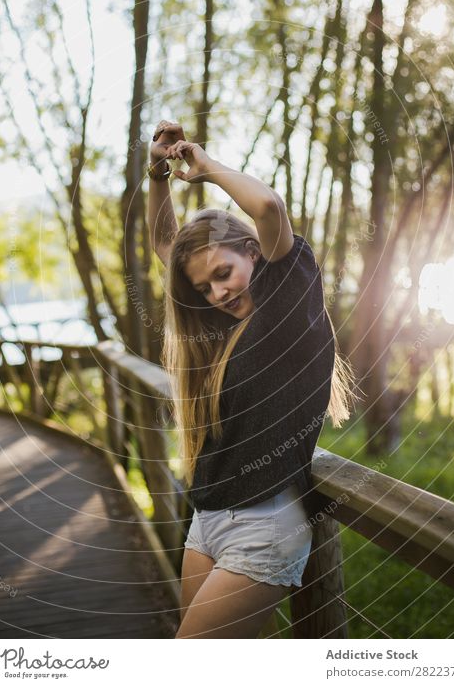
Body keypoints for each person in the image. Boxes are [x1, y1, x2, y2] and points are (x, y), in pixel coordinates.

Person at [147, 120, 356, 639]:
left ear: (254, 253)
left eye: (224, 273)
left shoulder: (287, 297)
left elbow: (268, 209)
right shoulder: (222, 325)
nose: (217, 293)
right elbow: (166, 246)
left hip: (264, 525)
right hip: (209, 517)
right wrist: (156, 175)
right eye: (205, 287)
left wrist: (204, 167)